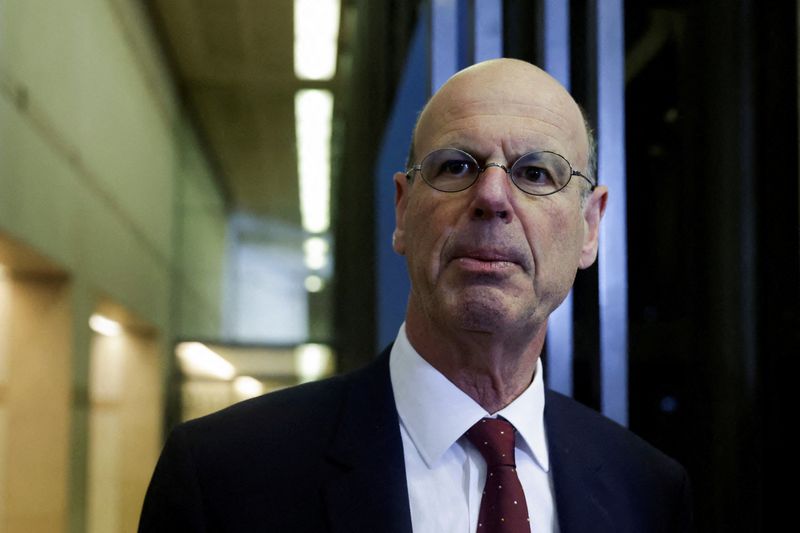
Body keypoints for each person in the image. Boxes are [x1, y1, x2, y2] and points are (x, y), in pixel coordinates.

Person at [139, 58, 691, 533]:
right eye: (456, 166)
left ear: (590, 227)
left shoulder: (648, 493)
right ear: (403, 211)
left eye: (537, 173)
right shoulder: (223, 476)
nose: (493, 197)